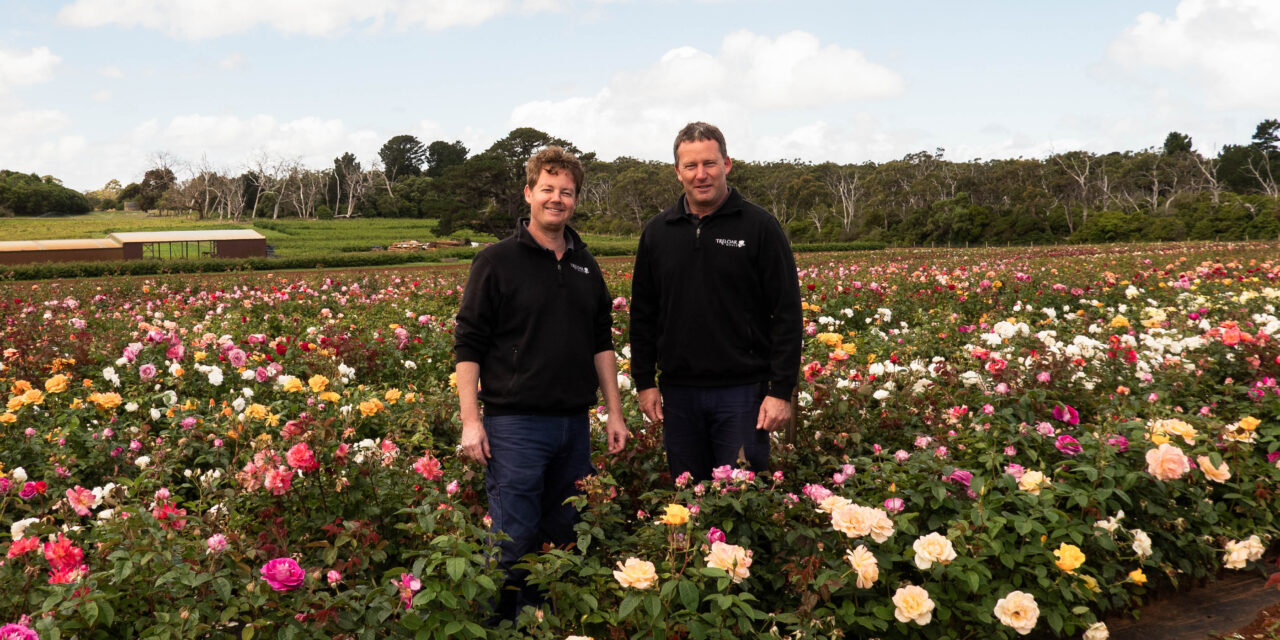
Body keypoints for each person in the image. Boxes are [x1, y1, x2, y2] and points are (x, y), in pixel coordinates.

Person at [454, 146, 627, 621]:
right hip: (516, 425)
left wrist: (614, 412)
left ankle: (543, 624)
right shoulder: (496, 262)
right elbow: (467, 345)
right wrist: (472, 422)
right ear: (529, 193)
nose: (557, 199)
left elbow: (601, 345)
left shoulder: (586, 265)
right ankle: (497, 627)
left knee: (564, 535)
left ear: (575, 200)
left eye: (566, 192)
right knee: (513, 540)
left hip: (573, 425)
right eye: (547, 189)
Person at [629, 121, 802, 483]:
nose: (701, 174)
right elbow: (644, 314)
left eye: (709, 163)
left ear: (727, 164)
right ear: (678, 172)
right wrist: (645, 381)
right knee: (690, 501)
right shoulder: (658, 232)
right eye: (690, 166)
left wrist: (780, 391)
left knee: (742, 499)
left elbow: (786, 313)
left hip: (743, 395)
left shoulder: (759, 227)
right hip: (679, 394)